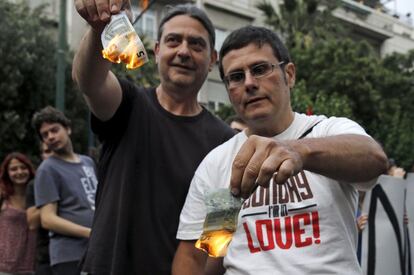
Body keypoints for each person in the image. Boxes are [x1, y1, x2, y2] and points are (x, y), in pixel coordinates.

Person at [173, 26, 388, 274]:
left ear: (290, 74)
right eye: (236, 77)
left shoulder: (327, 130)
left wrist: (299, 151)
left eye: (260, 69)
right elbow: (196, 257)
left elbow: (374, 159)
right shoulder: (218, 162)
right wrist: (225, 224)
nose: (250, 83)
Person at [72, 2, 234, 274]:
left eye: (196, 45)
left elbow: (217, 238)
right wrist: (99, 28)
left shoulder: (226, 142)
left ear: (212, 60)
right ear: (157, 51)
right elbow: (89, 80)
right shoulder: (128, 104)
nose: (183, 51)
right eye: (173, 41)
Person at [32, 106, 98, 275]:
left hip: (96, 252)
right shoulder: (47, 169)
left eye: (54, 130)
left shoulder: (88, 162)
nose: (51, 137)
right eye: (45, 135)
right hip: (69, 256)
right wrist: (89, 233)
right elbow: (47, 219)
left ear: (68, 128)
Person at [0, 152, 37, 274]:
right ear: (7, 173)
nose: (19, 172)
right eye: (13, 169)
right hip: (4, 266)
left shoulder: (39, 194)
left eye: (23, 167)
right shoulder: (2, 196)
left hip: (30, 265)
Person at [26, 142, 53, 275]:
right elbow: (32, 223)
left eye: (54, 150)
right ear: (42, 156)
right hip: (46, 257)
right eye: (47, 151)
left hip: (79, 252)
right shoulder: (34, 184)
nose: (52, 154)